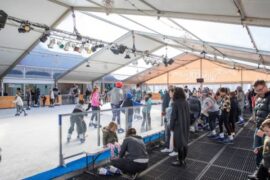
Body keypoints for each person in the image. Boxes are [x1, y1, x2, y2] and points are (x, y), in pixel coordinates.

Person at [249, 80, 270, 179]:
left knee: (266, 154)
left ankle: (264, 175)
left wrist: (262, 128)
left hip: (266, 131)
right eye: (256, 91)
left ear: (266, 86)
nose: (259, 92)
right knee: (257, 150)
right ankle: (258, 173)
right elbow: (257, 110)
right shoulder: (259, 98)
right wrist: (254, 116)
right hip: (259, 129)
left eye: (260, 89)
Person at [170, 87, 190, 167]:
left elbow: (173, 117)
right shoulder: (186, 102)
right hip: (185, 124)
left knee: (179, 143)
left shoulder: (175, 103)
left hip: (178, 126)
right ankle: (183, 159)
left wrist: (171, 127)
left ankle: (180, 161)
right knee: (184, 141)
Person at [161, 88, 178, 157]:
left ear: (173, 92)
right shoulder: (171, 99)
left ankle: (174, 149)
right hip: (168, 119)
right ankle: (168, 147)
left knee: (172, 135)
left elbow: (172, 110)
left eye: (170, 92)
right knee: (168, 134)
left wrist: (166, 110)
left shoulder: (175, 100)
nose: (169, 93)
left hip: (172, 120)